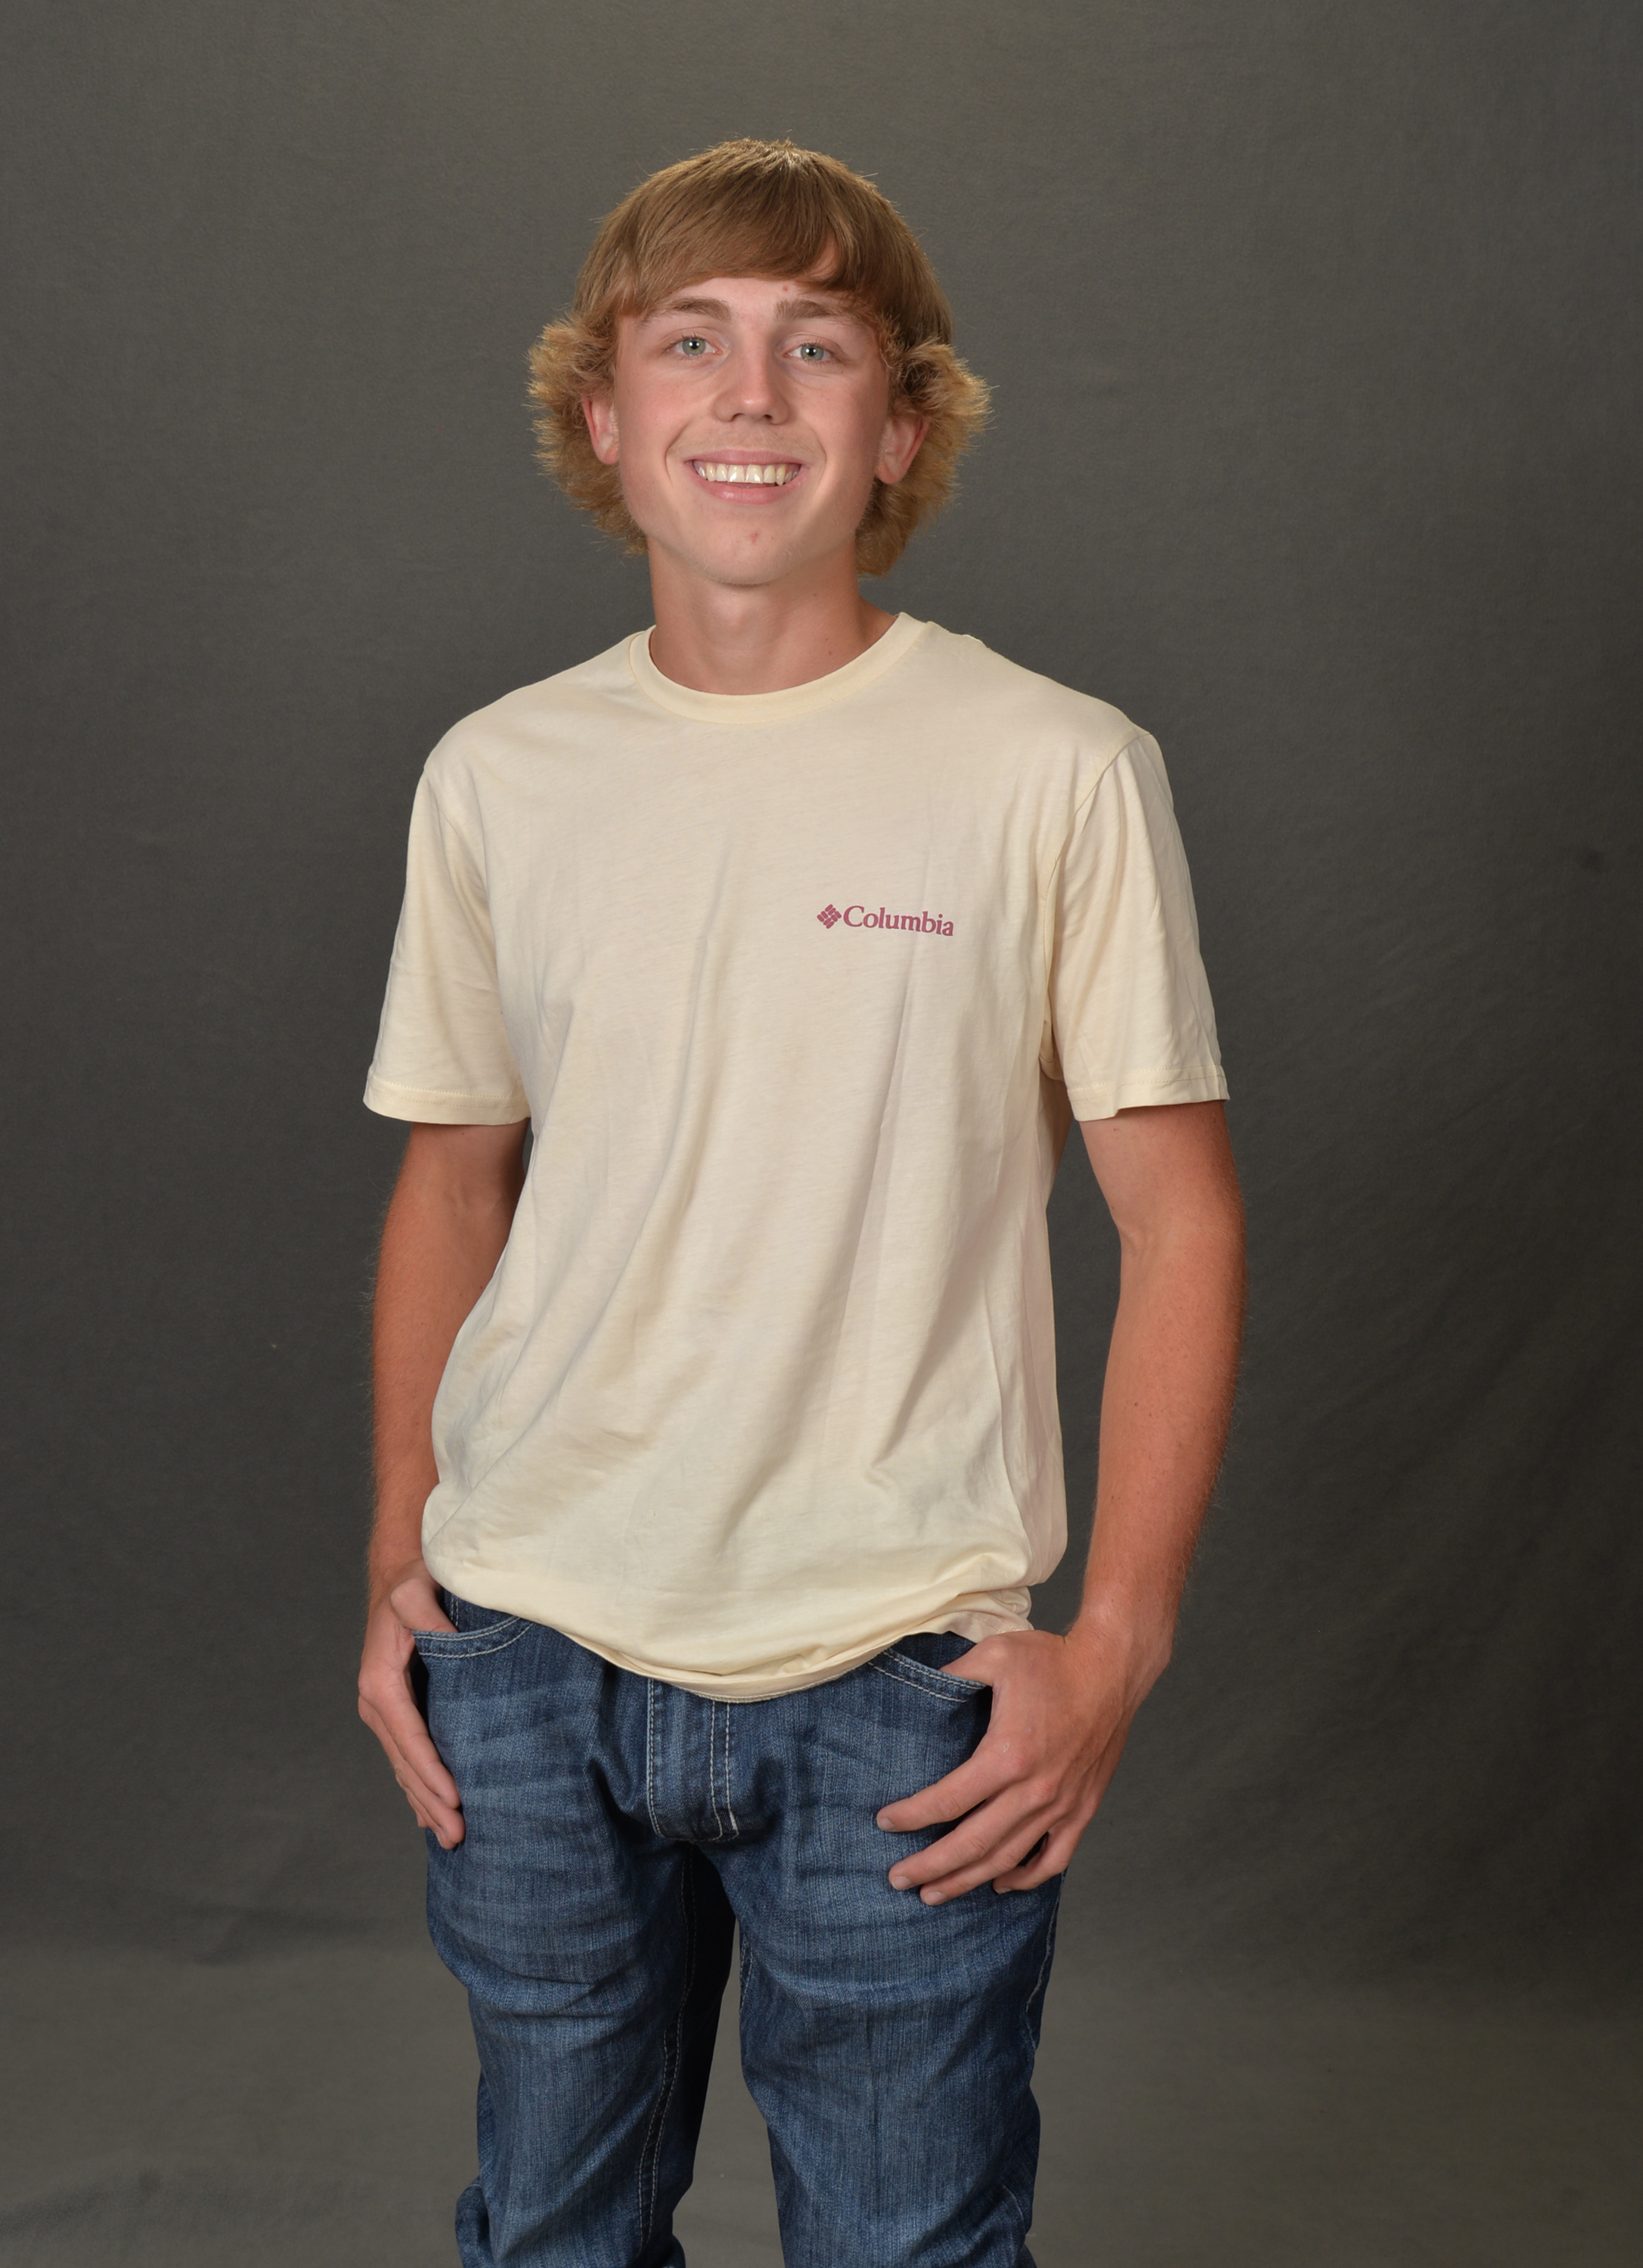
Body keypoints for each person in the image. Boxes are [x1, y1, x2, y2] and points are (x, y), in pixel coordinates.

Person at [356, 138, 1245, 2268]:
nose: (749, 395)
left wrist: (1117, 1645)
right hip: (531, 1650)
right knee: (550, 2236)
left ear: (901, 425)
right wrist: (401, 1552)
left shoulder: (1054, 768)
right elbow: (454, 1180)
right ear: (604, 414)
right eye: (690, 343)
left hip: (898, 1674)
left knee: (906, 2247)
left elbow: (1185, 1221)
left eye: (817, 347)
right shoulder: (500, 774)